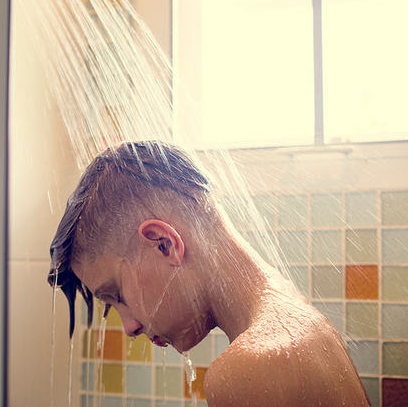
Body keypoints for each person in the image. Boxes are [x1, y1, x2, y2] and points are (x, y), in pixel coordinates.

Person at [48, 141, 369, 406]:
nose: (129, 327)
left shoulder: (248, 369)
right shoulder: (293, 313)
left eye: (116, 295)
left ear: (164, 244)